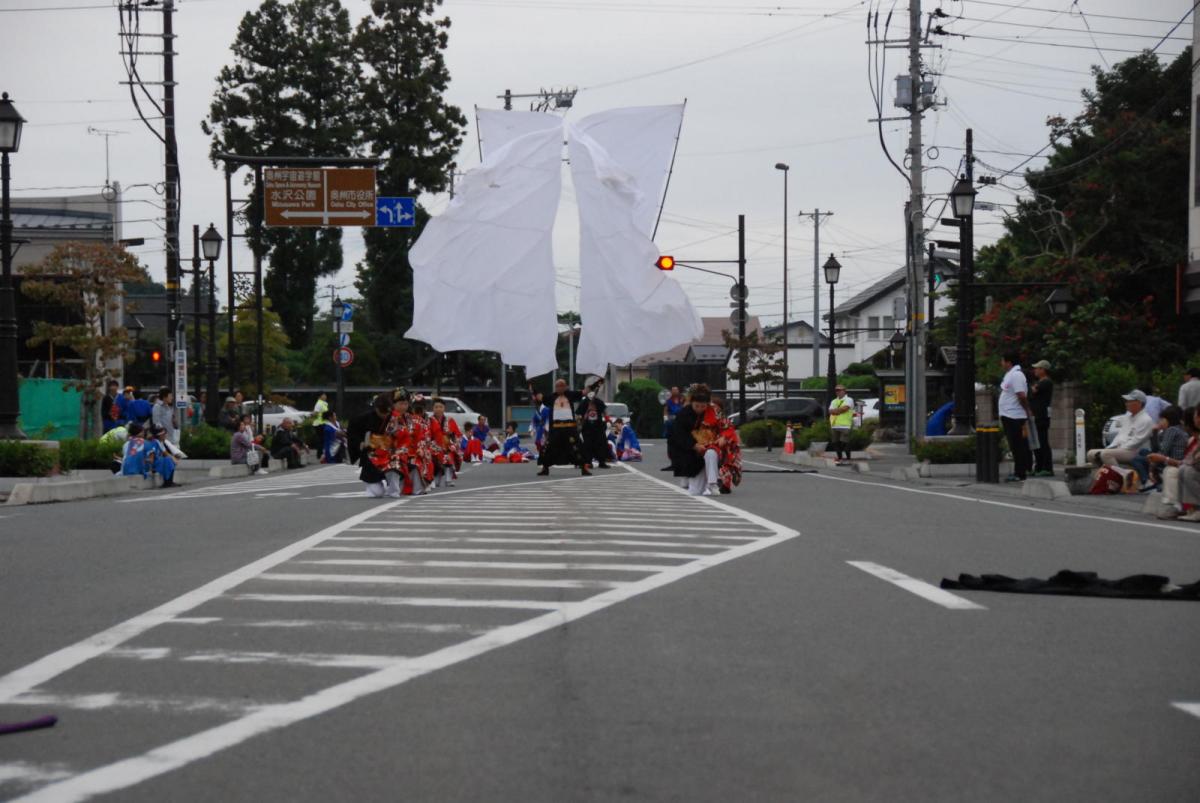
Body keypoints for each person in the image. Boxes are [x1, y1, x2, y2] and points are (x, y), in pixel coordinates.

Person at [533, 377, 599, 477]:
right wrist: (532, 385)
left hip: (570, 428)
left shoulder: (571, 395)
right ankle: (545, 468)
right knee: (547, 448)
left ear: (566, 387)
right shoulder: (551, 397)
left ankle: (584, 468)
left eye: (561, 386)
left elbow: (585, 392)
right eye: (557, 386)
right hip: (556, 429)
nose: (559, 388)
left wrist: (596, 384)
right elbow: (540, 397)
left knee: (578, 448)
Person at [670, 384, 721, 495]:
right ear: (691, 402)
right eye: (696, 406)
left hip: (711, 448)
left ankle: (713, 483)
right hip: (691, 453)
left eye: (703, 406)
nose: (699, 409)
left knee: (711, 453)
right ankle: (688, 477)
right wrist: (694, 445)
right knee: (694, 491)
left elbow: (724, 427)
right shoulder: (683, 414)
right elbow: (678, 435)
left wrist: (723, 438)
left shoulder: (714, 412)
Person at [1086, 389, 1155, 469]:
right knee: (1090, 454)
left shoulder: (1146, 419)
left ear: (1139, 403)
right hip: (1124, 449)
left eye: (1129, 401)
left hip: (1135, 451)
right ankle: (1102, 477)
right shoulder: (1127, 417)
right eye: (1126, 401)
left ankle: (1120, 477)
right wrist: (1110, 447)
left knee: (1106, 454)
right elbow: (1120, 436)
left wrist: (1118, 449)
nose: (1126, 403)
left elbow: (1136, 441)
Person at [347, 392, 396, 497]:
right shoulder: (363, 418)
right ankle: (373, 485)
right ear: (376, 408)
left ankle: (385, 484)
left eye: (387, 413)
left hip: (386, 453)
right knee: (377, 493)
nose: (384, 415)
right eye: (382, 412)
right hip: (371, 455)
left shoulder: (392, 417)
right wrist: (360, 442)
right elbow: (352, 431)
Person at [998, 352, 1033, 482]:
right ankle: (1020, 470)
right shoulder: (1010, 374)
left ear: (1009, 362)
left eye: (1002, 361)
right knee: (1015, 445)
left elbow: (1021, 395)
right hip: (1008, 415)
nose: (1001, 364)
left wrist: (1027, 410)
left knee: (1018, 445)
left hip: (1015, 416)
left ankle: (1020, 472)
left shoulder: (1017, 375)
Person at [1136, 405, 1187, 490]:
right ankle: (1154, 479)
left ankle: (1150, 481)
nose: (1159, 421)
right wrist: (1156, 433)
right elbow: (1157, 449)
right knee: (1143, 451)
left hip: (1170, 460)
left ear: (1169, 420)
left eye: (1162, 419)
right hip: (1170, 458)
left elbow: (1162, 451)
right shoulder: (1176, 429)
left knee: (1136, 459)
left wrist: (1152, 467)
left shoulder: (1172, 430)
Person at [429, 398, 462, 487]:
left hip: (447, 446)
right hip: (433, 447)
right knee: (435, 454)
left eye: (441, 407)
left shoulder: (450, 420)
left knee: (449, 453)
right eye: (436, 407)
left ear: (444, 408)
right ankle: (435, 476)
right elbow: (426, 436)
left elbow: (457, 435)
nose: (438, 409)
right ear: (433, 408)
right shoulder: (429, 420)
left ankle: (448, 479)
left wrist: (454, 444)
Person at [1029, 359, 1054, 477]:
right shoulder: (1040, 382)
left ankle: (1047, 468)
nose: (1035, 370)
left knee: (1043, 442)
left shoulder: (1046, 382)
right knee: (1036, 443)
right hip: (1036, 415)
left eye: (1037, 368)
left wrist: (1032, 387)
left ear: (1043, 370)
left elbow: (1033, 390)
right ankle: (1039, 467)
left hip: (1042, 416)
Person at [577, 387, 610, 469]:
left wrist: (607, 420)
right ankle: (588, 462)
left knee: (601, 444)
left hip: (598, 427)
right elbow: (578, 414)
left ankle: (602, 462)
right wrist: (580, 422)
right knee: (587, 445)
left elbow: (605, 411)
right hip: (587, 428)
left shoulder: (599, 402)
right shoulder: (584, 402)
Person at [827, 384, 854, 465]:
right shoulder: (834, 401)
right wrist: (838, 410)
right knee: (835, 443)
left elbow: (845, 409)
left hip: (845, 425)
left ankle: (848, 458)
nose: (838, 392)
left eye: (839, 390)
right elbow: (830, 411)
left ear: (844, 391)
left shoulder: (849, 399)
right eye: (836, 390)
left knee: (845, 442)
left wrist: (836, 410)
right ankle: (839, 458)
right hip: (835, 424)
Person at [528, 391, 550, 455]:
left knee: (544, 442)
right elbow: (534, 420)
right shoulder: (537, 409)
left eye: (540, 396)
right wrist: (531, 428)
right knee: (538, 442)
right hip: (540, 428)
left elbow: (546, 420)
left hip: (546, 428)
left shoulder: (546, 408)